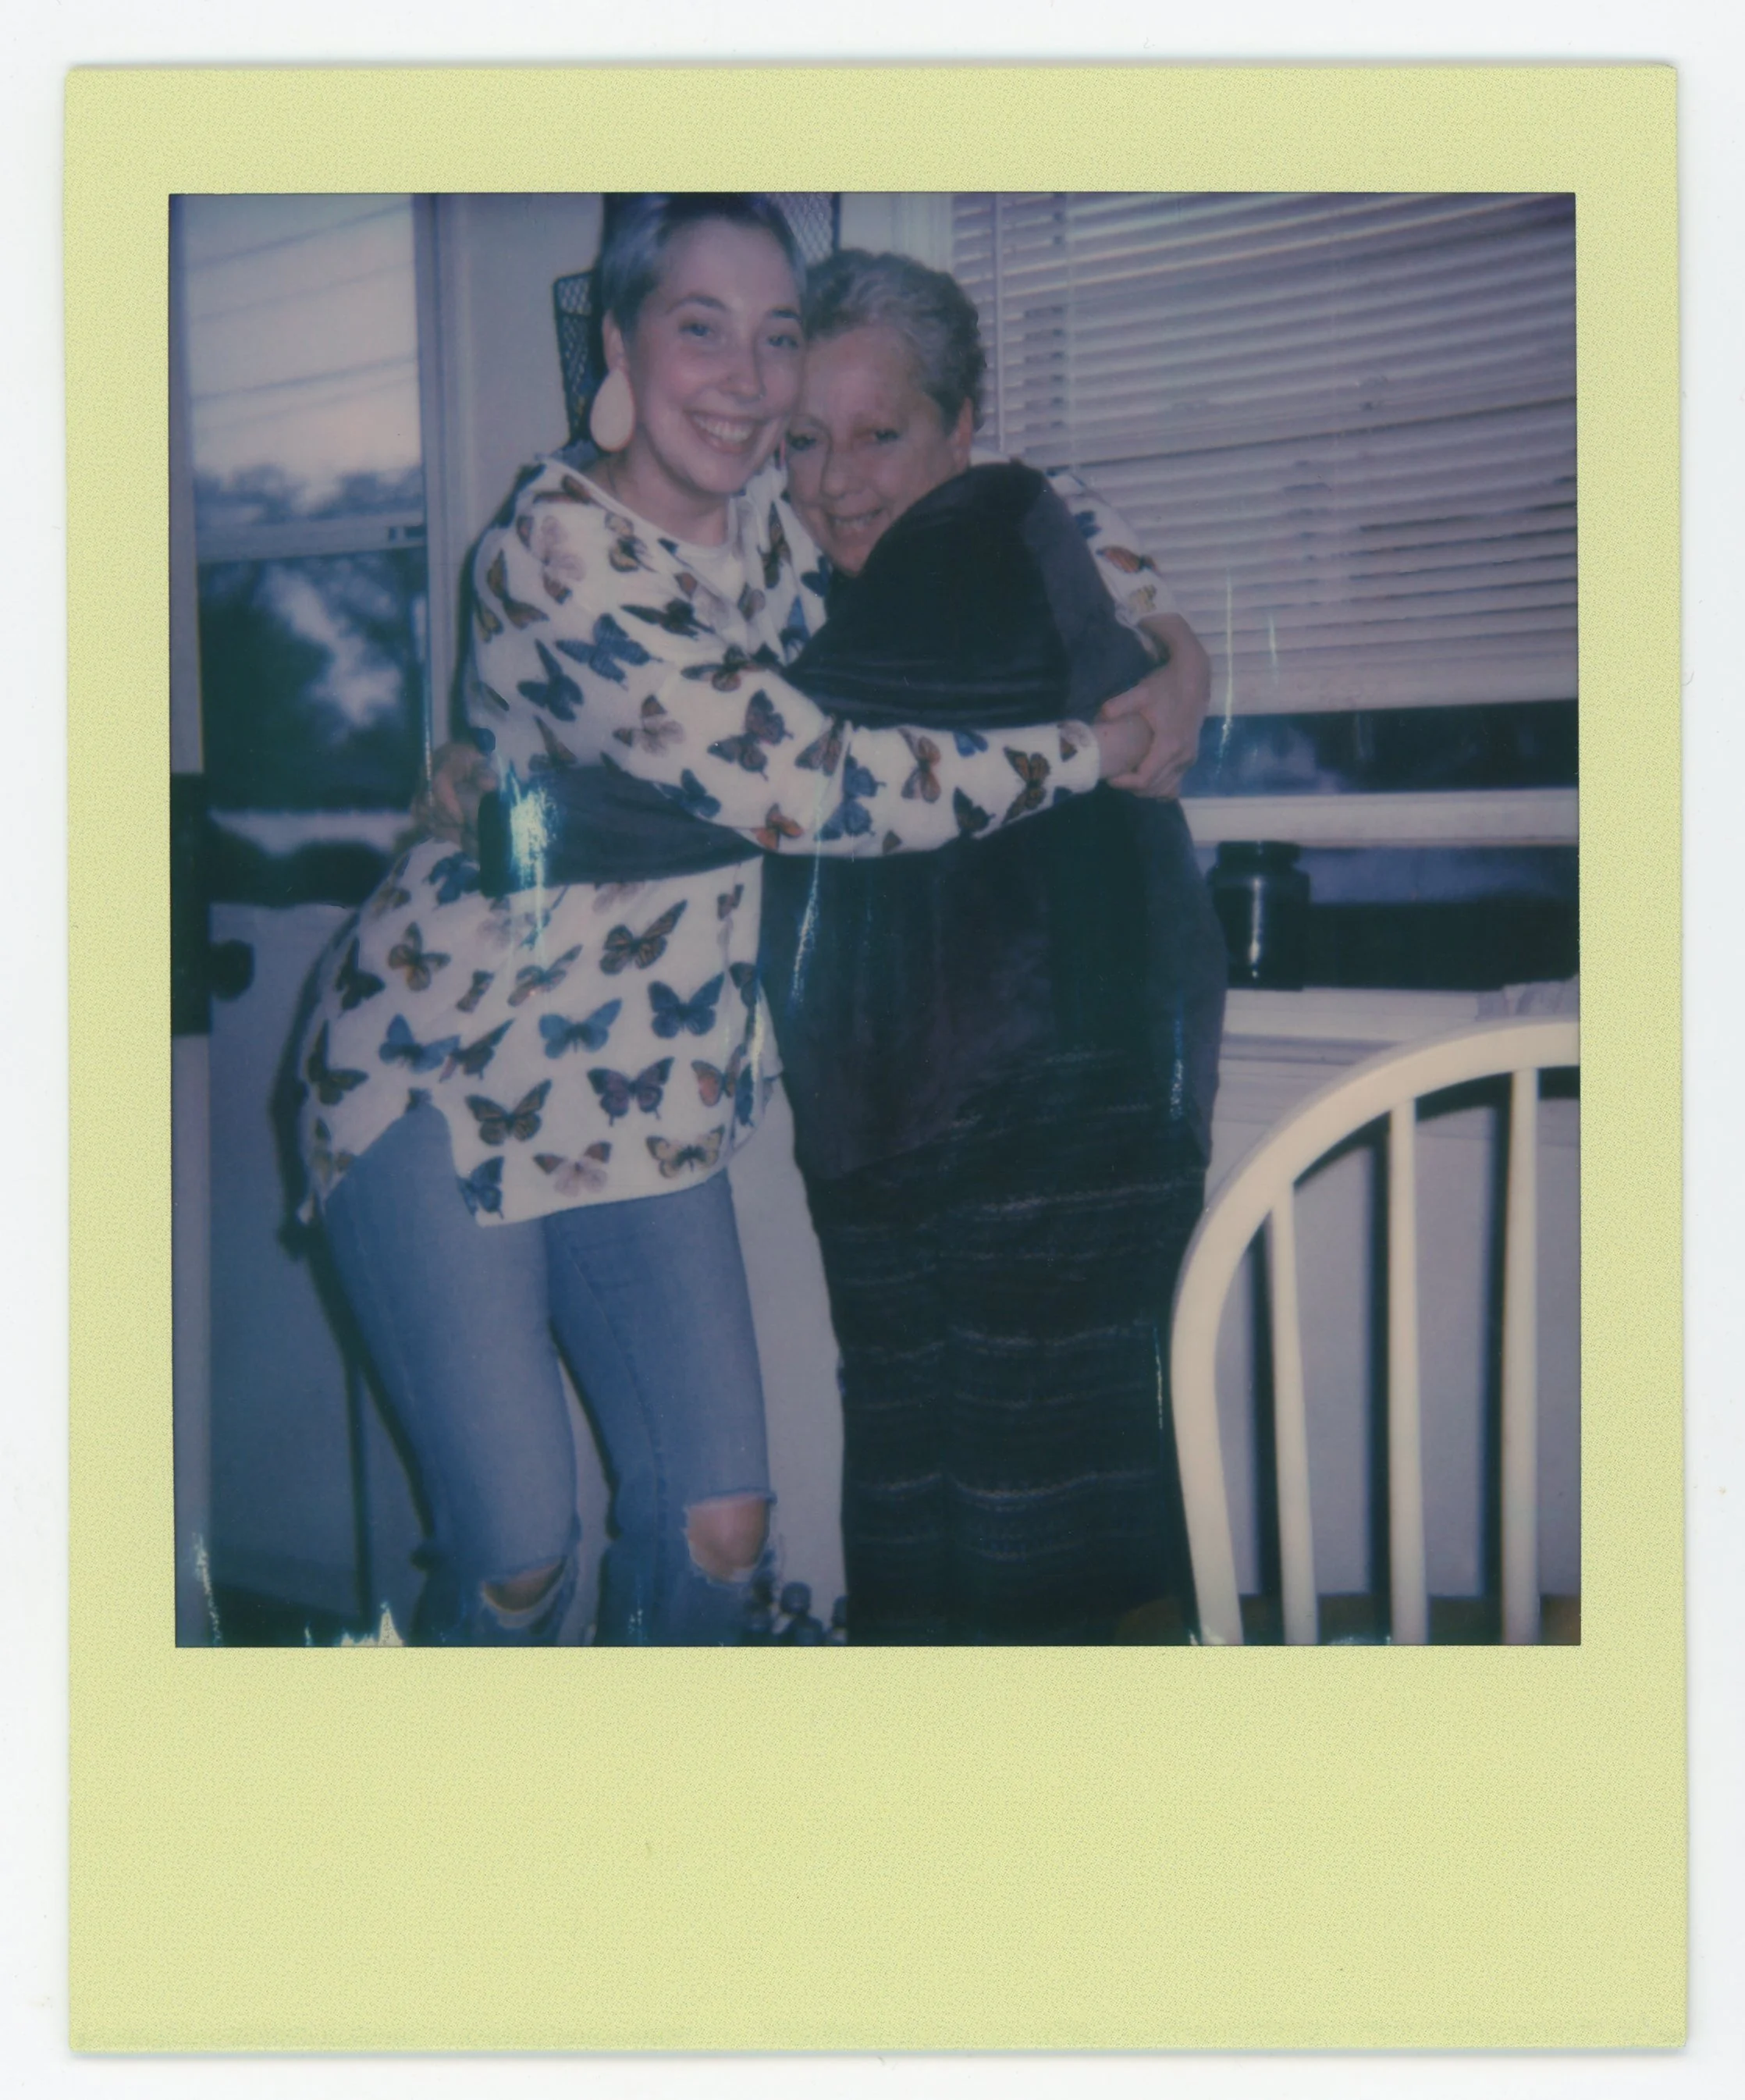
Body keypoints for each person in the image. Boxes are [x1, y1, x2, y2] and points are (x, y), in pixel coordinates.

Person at [293, 196, 1175, 1646]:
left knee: (720, 1535)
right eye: (700, 328)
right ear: (619, 345)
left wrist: (1176, 651)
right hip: (444, 1075)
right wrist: (1090, 752)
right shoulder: (557, 552)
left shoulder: (774, 515)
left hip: (640, 1099)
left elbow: (1031, 495)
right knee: (518, 1554)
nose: (748, 379)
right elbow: (810, 784)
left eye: (774, 338)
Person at [757, 251, 1229, 1643]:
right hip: (906, 1109)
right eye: (803, 441)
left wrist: (1186, 658)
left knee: (1039, 1537)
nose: (836, 480)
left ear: (961, 428)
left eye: (879, 433)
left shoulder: (990, 521)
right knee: (947, 1514)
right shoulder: (795, 560)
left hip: (1046, 1095)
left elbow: (772, 761)